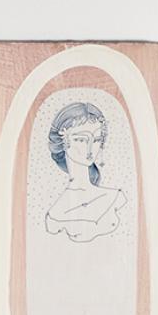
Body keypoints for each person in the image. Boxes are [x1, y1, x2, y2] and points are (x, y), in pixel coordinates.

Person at [43, 99, 128, 242]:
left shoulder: (117, 196)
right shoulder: (56, 215)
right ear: (63, 141)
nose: (90, 149)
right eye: (81, 140)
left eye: (96, 140)